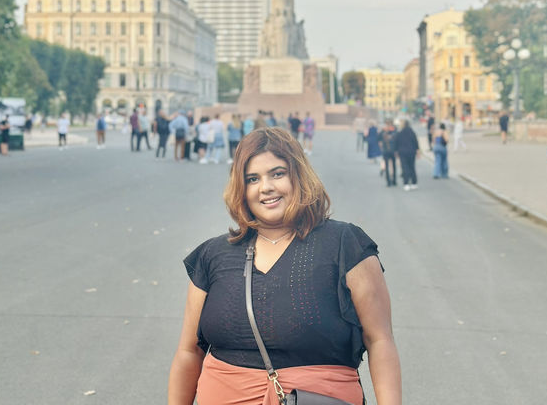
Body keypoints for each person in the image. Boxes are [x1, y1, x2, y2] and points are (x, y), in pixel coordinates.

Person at [167, 127, 402, 405]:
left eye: (277, 173)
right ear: (241, 188)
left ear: (298, 175)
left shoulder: (345, 244)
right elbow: (188, 352)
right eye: (252, 179)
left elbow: (380, 341)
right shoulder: (212, 255)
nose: (266, 187)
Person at [396, 120, 419, 190]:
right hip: (412, 152)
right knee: (412, 167)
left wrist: (396, 152)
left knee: (405, 168)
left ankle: (406, 183)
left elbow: (396, 143)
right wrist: (418, 151)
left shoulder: (400, 133)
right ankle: (414, 183)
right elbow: (416, 142)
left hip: (402, 152)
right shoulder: (412, 132)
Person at [378, 119, 398, 187]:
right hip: (391, 150)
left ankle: (391, 181)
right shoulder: (393, 130)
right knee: (392, 166)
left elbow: (379, 140)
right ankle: (392, 180)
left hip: (388, 150)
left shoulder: (384, 131)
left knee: (389, 166)